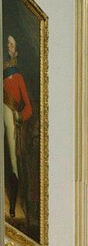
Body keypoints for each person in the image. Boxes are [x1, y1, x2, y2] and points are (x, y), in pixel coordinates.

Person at [3, 34, 33, 221]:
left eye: (11, 44)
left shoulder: (19, 76)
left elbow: (28, 106)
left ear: (17, 51)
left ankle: (12, 207)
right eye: (7, 43)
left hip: (12, 121)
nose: (8, 46)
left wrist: (19, 117)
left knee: (13, 164)